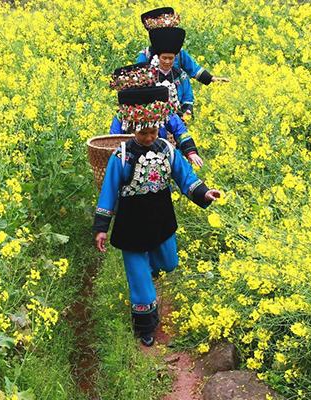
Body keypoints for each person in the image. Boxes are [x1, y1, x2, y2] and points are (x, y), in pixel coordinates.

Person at [93, 85, 221, 346]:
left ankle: (151, 269)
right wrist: (102, 227)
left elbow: (185, 176)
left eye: (153, 131)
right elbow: (108, 191)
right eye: (143, 132)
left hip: (161, 218)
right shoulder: (122, 156)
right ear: (133, 129)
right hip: (131, 224)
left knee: (169, 262)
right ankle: (146, 325)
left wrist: (204, 193)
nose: (149, 137)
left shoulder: (166, 150)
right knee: (139, 278)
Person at [109, 61, 203, 166]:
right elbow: (113, 141)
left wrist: (190, 151)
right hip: (130, 160)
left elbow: (179, 129)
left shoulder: (160, 111)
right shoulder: (123, 116)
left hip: (160, 155)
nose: (148, 138)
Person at [137, 7, 229, 89]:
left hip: (177, 94)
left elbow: (193, 68)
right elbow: (138, 75)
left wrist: (211, 79)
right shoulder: (146, 53)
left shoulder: (178, 51)